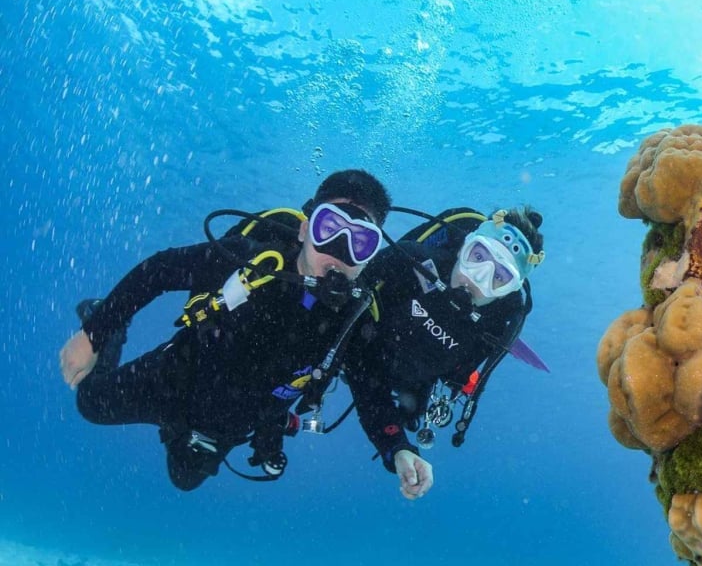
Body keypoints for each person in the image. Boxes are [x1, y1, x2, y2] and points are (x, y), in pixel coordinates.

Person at [58, 169, 392, 490]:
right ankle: (110, 325)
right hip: (177, 378)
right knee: (90, 402)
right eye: (329, 229)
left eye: (360, 242)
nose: (338, 252)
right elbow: (158, 270)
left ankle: (184, 434)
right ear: (304, 231)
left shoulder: (355, 319)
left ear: (369, 257)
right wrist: (95, 333)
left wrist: (399, 449)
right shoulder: (248, 263)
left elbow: (371, 389)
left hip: (232, 423)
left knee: (184, 480)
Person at [342, 205, 544, 500]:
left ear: (509, 291)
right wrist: (395, 444)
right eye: (477, 257)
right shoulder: (410, 262)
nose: (477, 279)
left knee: (411, 413)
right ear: (465, 245)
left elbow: (452, 379)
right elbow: (353, 341)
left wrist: (397, 448)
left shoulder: (495, 328)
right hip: (360, 351)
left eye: (499, 277)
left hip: (410, 384)